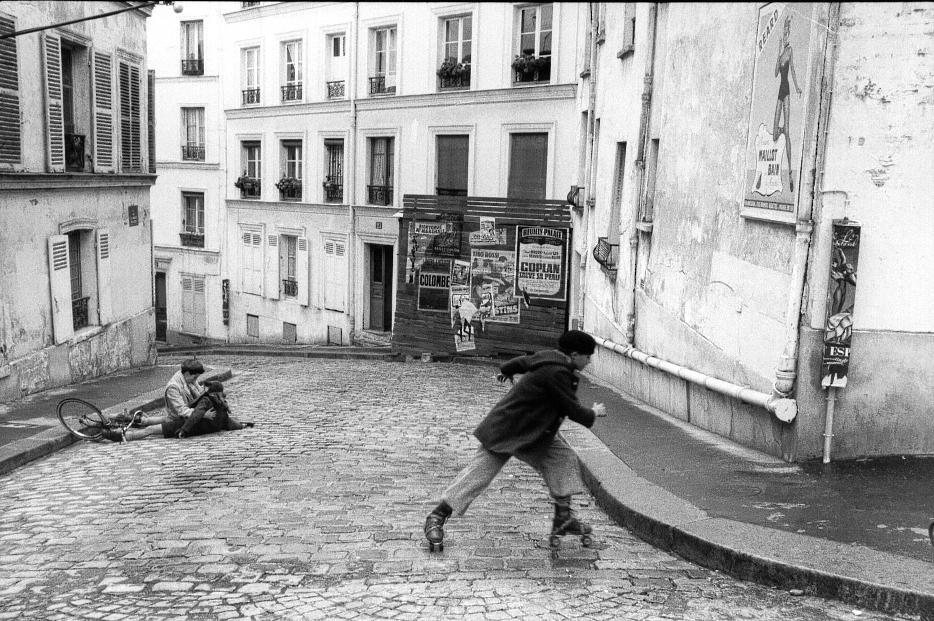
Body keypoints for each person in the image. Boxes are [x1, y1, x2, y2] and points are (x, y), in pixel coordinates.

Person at [423, 330, 607, 551]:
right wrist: (594, 412)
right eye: (588, 357)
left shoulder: (548, 357)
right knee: (479, 474)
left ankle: (564, 517)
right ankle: (437, 516)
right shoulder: (557, 372)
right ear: (575, 355)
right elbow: (571, 408)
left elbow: (519, 362)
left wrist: (506, 371)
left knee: (563, 458)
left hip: (535, 431)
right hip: (507, 429)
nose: (588, 361)